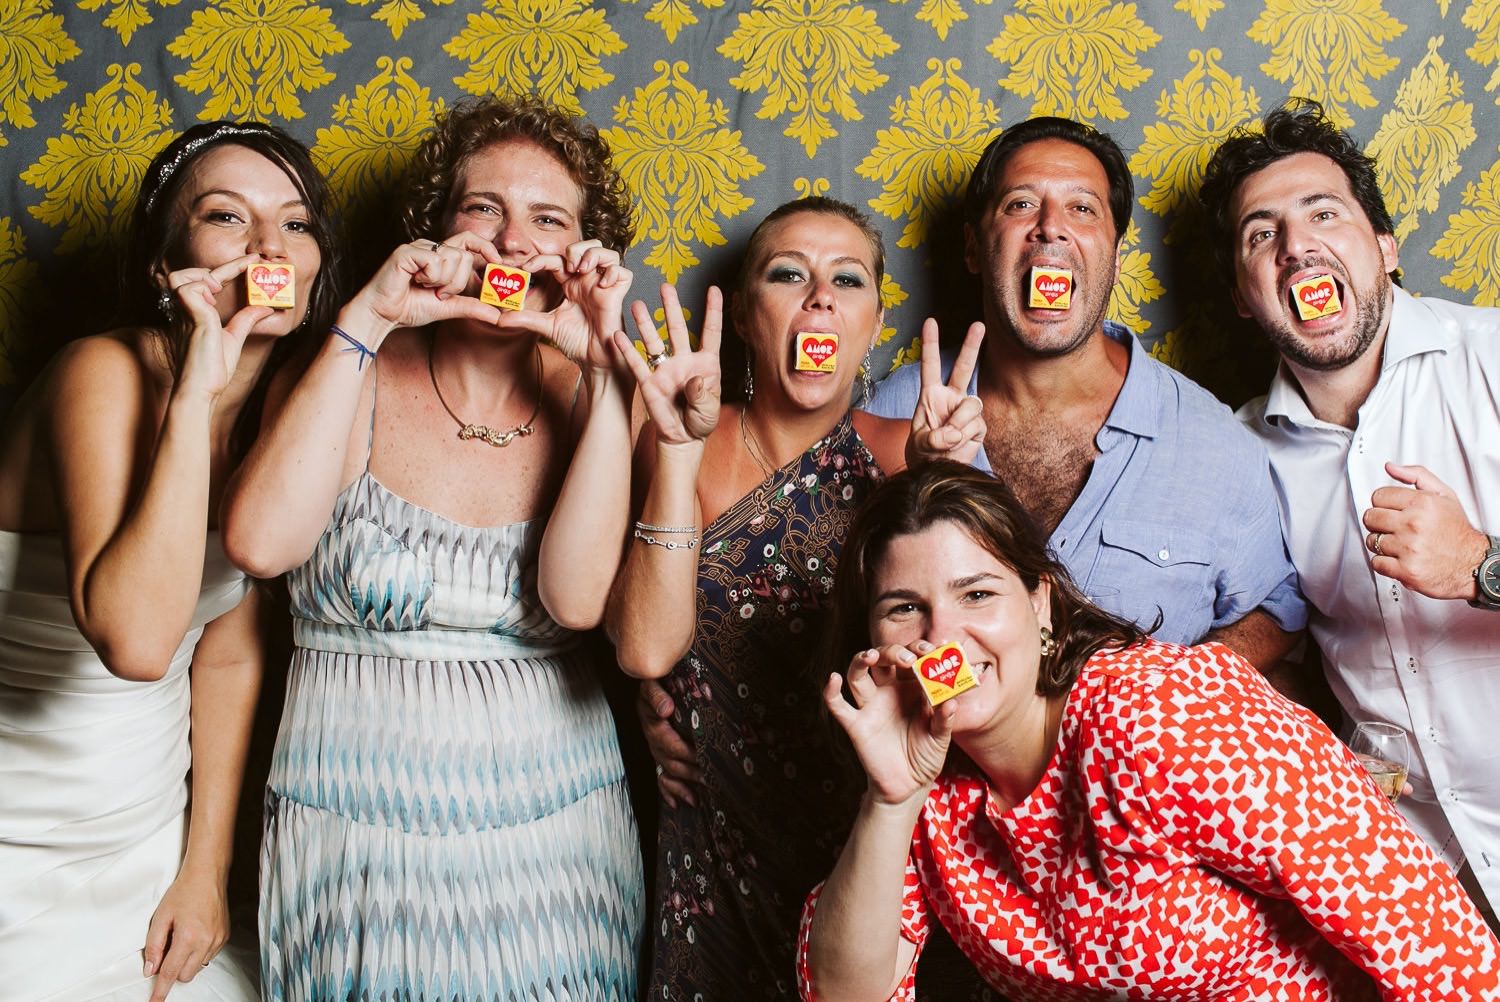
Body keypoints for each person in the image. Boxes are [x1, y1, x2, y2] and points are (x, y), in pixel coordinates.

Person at [220, 94, 644, 998]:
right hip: (353, 837)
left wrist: (608, 376)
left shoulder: (597, 394)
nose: (511, 240)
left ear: (585, 252)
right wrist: (369, 320)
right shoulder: (348, 365)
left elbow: (577, 602)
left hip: (555, 839)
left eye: (548, 219)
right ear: (438, 226)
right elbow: (257, 544)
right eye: (483, 208)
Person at [800, 461, 1500, 1001]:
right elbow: (843, 994)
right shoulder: (926, 792)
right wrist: (890, 800)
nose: (944, 636)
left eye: (977, 594)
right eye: (903, 608)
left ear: (1041, 604)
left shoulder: (1155, 715)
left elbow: (1421, 928)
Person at [607, 196, 983, 999]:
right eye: (788, 275)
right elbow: (644, 649)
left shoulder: (910, 454)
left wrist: (942, 482)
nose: (819, 298)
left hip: (867, 831)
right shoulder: (682, 435)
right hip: (716, 842)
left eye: (846, 280)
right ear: (747, 317)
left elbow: (976, 653)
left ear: (873, 323)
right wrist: (674, 454)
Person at [0, 121, 342, 1001]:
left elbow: (223, 655)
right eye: (227, 217)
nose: (269, 246)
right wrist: (196, 388)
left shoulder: (290, 416)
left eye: (296, 224)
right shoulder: (101, 373)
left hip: (143, 829)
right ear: (166, 266)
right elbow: (141, 642)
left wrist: (204, 868)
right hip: (18, 820)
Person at [1201, 98, 1500, 925]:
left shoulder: (1492, 358)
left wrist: (1480, 566)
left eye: (1323, 213)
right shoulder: (1234, 454)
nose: (1296, 246)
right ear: (1242, 295)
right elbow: (1273, 646)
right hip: (1404, 883)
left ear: (1385, 247)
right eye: (1261, 234)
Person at [862, 116, 1305, 672]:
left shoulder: (1214, 442)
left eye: (1082, 208)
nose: (1050, 227)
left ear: (1116, 258)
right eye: (1021, 204)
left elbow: (1277, 608)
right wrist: (925, 479)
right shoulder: (888, 415)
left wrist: (1169, 692)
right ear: (973, 247)